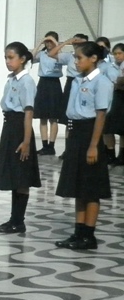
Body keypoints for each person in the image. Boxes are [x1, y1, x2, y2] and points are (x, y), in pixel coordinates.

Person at [54, 41, 113, 251]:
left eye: (79, 58)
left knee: (91, 188)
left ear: (93, 58)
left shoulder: (102, 82)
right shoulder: (78, 81)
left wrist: (94, 146)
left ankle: (89, 235)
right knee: (78, 187)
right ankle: (78, 233)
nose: (76, 62)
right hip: (76, 133)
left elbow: (100, 116)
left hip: (90, 134)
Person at [0, 42, 41, 234]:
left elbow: (28, 113)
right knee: (14, 175)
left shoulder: (26, 81)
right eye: (5, 57)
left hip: (21, 129)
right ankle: (14, 219)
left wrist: (26, 141)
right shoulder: (11, 79)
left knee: (22, 176)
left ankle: (19, 221)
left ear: (22, 59)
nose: (7, 61)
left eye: (11, 57)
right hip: (10, 127)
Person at [47, 33, 88, 159]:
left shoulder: (90, 57)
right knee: (68, 119)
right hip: (71, 84)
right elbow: (51, 54)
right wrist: (66, 43)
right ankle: (68, 149)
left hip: (85, 82)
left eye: (81, 44)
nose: (78, 46)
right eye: (76, 43)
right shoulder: (70, 56)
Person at [31, 32, 63, 156]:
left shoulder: (59, 54)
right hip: (43, 83)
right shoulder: (42, 54)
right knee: (42, 116)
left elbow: (62, 54)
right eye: (47, 41)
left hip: (54, 83)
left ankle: (51, 145)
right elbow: (31, 57)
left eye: (51, 41)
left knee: (53, 117)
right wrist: (40, 42)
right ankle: (44, 145)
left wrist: (56, 43)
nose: (49, 44)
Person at [104, 43, 124, 167]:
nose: (117, 56)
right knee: (108, 127)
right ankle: (110, 153)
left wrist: (118, 83)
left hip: (121, 97)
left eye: (120, 53)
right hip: (112, 98)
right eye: (115, 53)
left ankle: (122, 155)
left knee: (122, 129)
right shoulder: (109, 66)